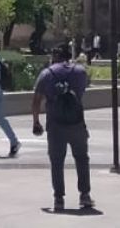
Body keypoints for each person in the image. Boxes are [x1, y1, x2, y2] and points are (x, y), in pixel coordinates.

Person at [32, 45, 94, 211]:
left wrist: (36, 121)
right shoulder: (80, 72)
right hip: (77, 123)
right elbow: (82, 91)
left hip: (55, 124)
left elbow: (36, 100)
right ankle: (85, 195)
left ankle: (59, 198)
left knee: (57, 162)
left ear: (54, 56)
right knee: (81, 159)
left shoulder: (46, 74)